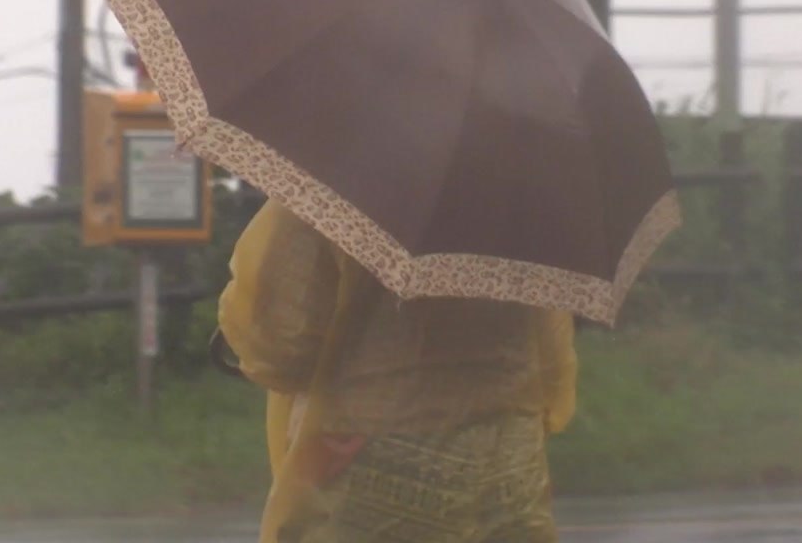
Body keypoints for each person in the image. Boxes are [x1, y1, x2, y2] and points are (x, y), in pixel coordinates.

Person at [216, 199, 577, 543]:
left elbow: (282, 350)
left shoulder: (337, 180)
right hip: (509, 463)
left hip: (368, 454)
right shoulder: (527, 191)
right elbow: (551, 358)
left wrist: (236, 317)